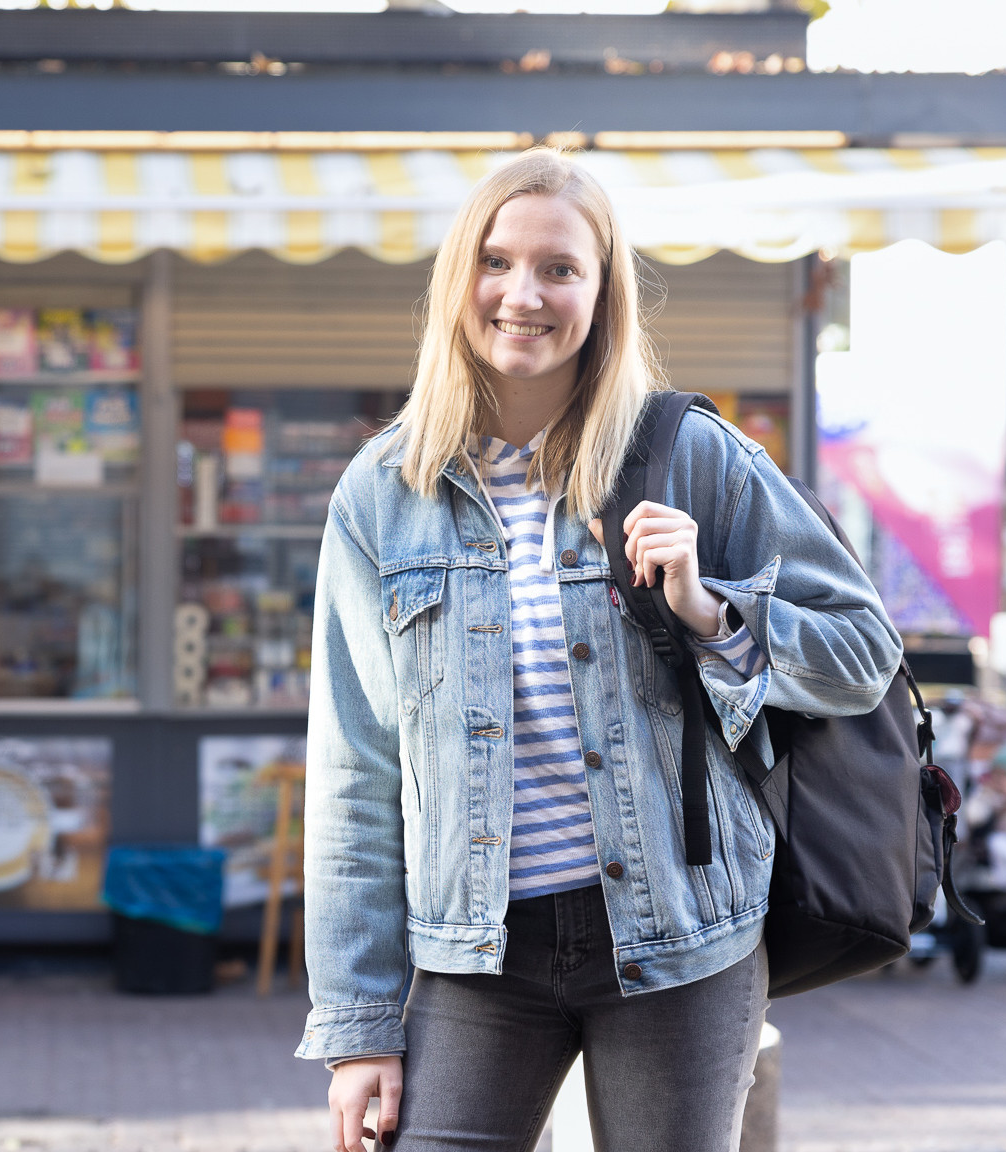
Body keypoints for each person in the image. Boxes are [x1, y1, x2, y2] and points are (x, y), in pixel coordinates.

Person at [300, 149, 902, 1152]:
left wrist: (711, 613)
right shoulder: (380, 494)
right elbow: (353, 772)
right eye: (494, 262)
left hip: (680, 938)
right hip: (474, 957)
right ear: (459, 278)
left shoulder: (686, 456)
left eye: (558, 268)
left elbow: (860, 652)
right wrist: (357, 1027)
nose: (521, 294)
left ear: (599, 291)